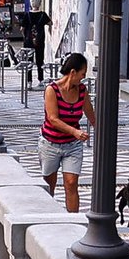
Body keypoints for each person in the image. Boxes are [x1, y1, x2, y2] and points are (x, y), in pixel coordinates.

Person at [39, 53, 92, 213]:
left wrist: (102, 130)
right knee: (49, 183)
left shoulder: (82, 90)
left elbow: (90, 112)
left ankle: (73, 222)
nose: (83, 78)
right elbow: (53, 119)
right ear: (73, 72)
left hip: (72, 146)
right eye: (82, 74)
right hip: (50, 144)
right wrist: (75, 131)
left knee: (71, 182)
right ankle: (50, 219)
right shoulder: (52, 90)